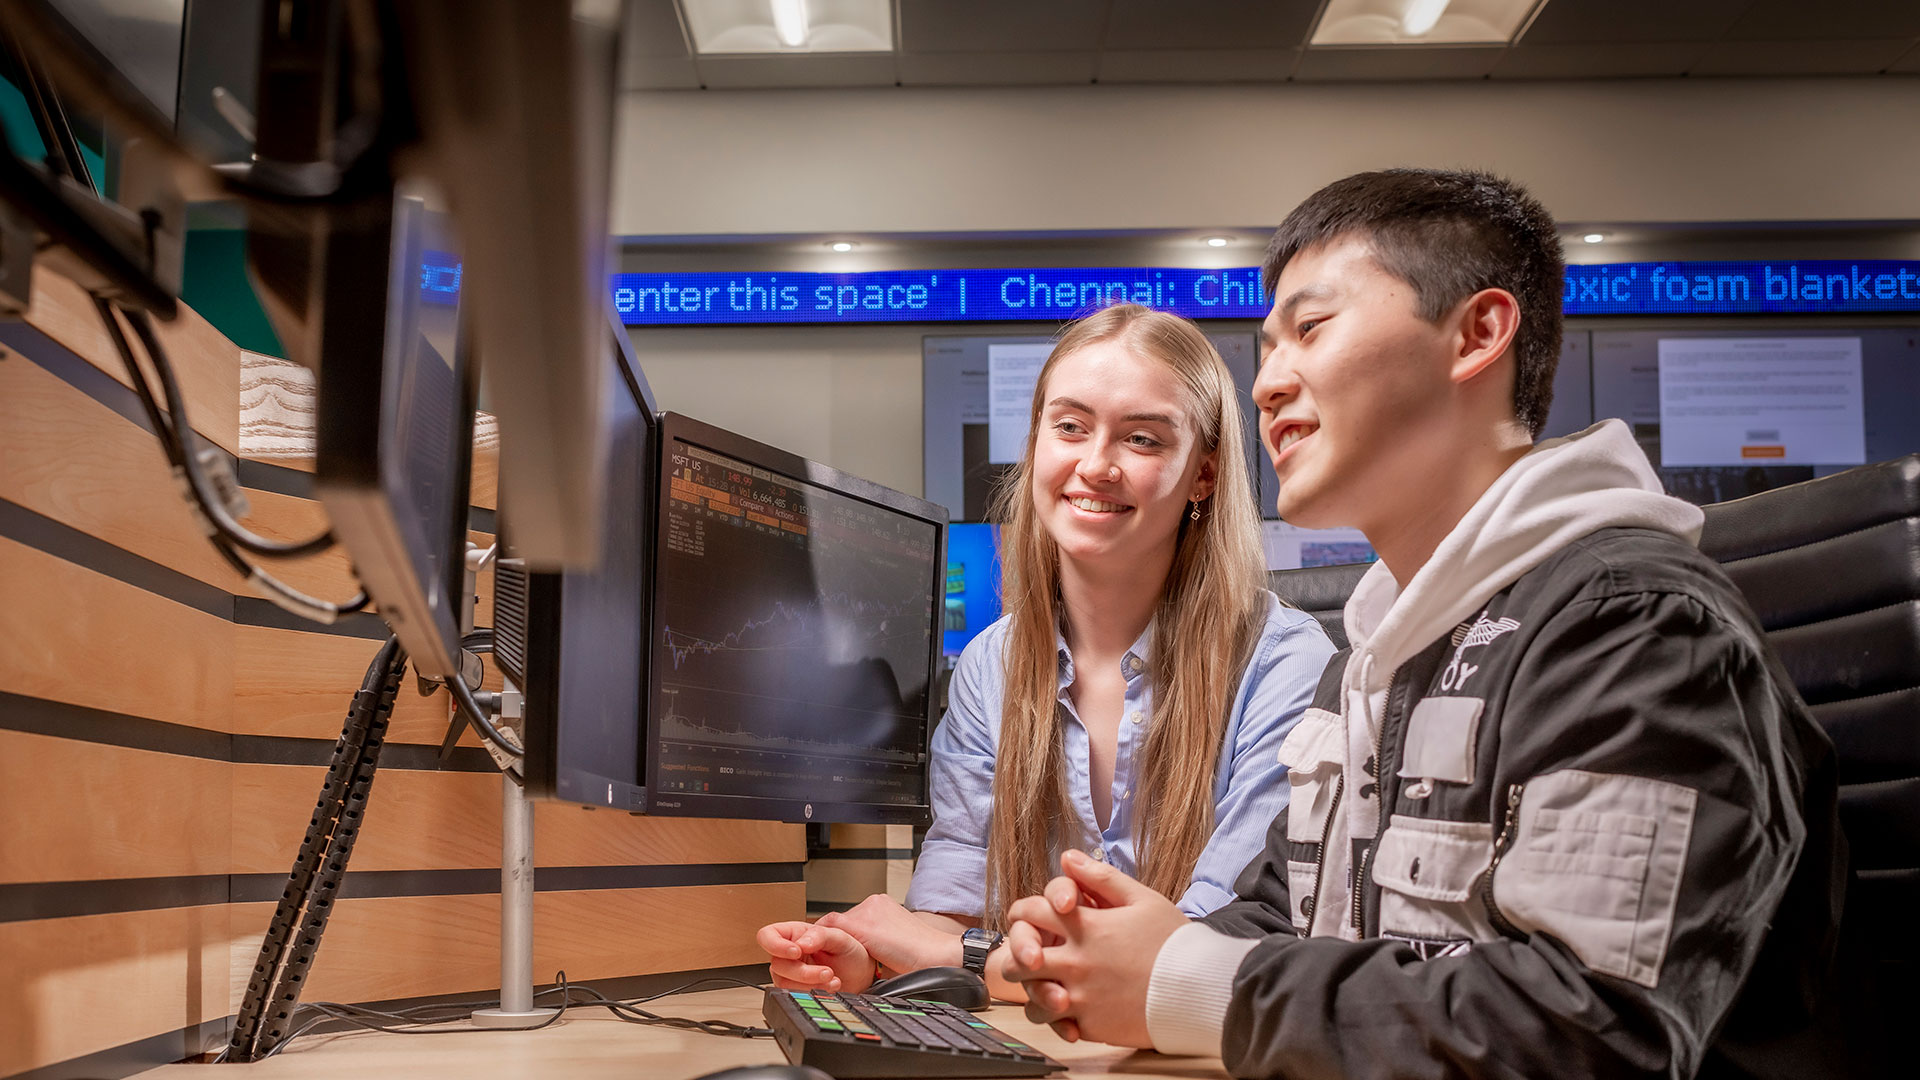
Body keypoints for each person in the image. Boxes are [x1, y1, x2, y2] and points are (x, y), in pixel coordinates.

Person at [1001, 169, 1878, 1077]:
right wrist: (1100, 955)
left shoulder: (1635, 627)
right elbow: (1285, 913)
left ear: (1479, 334)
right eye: (1266, 347)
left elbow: (1594, 1030)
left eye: (1311, 329)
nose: (1265, 384)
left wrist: (1193, 983)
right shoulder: (1377, 653)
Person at [757, 304, 1335, 1002]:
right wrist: (878, 963)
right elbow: (954, 905)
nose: (1096, 465)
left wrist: (957, 955)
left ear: (1204, 475)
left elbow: (1210, 950)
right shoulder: (990, 667)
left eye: (1143, 439)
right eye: (1069, 427)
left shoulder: (1285, 666)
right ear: (1036, 443)